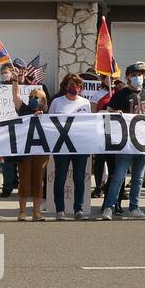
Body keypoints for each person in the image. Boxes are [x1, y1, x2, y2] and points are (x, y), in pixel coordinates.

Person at [100, 62, 145, 220]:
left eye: (140, 74)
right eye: (134, 75)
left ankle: (134, 208)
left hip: (143, 143)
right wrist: (115, 113)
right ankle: (109, 207)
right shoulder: (121, 94)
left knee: (138, 178)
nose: (137, 77)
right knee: (119, 176)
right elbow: (108, 113)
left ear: (144, 77)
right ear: (128, 77)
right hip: (125, 143)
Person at [49, 73, 92, 220]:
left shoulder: (85, 103)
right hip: (61, 147)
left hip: (80, 147)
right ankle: (59, 210)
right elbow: (49, 123)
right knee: (60, 178)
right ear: (66, 86)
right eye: (72, 84)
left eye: (78, 85)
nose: (75, 87)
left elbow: (90, 125)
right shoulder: (57, 102)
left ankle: (78, 210)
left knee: (79, 178)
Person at [15, 84, 50, 221]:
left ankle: (36, 212)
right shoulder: (24, 110)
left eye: (36, 97)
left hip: (41, 152)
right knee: (24, 180)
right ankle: (22, 212)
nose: (32, 99)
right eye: (30, 97)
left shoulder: (47, 115)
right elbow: (15, 97)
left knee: (38, 181)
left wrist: (43, 118)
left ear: (43, 101)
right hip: (25, 151)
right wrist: (15, 82)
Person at [0, 62, 22, 198]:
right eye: (2, 73)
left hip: (21, 128)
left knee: (22, 161)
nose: (4, 75)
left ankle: (22, 185)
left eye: (6, 72)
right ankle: (8, 186)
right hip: (6, 129)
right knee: (8, 160)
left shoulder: (22, 87)